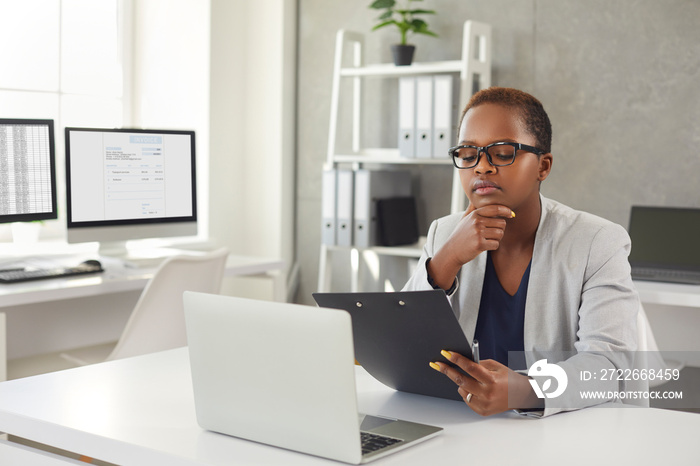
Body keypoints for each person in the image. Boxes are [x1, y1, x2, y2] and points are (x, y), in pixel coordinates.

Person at [402, 87, 643, 417]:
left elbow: (608, 366)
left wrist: (528, 390)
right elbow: (402, 344)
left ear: (543, 167)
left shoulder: (597, 242)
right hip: (463, 428)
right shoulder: (444, 233)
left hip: (563, 435)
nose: (481, 167)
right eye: (468, 153)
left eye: (502, 153)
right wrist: (447, 259)